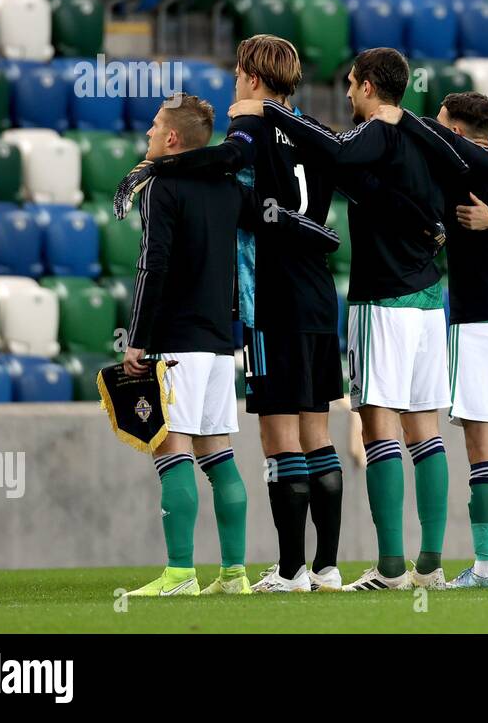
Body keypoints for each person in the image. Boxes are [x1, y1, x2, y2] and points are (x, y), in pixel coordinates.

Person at [117, 36, 347, 594]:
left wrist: (152, 169)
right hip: (284, 312)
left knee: (212, 448)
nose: (234, 83)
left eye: (238, 73)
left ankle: (217, 573)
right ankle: (286, 569)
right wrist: (322, 234)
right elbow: (278, 212)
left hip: (252, 310)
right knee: (271, 445)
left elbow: (157, 264)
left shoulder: (236, 137)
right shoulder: (309, 133)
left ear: (250, 76)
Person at [231, 47, 457, 592]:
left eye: (353, 84)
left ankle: (366, 569)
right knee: (416, 433)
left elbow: (251, 193)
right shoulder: (418, 134)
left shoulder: (357, 136)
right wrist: (432, 229)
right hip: (424, 299)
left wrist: (265, 115)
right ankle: (401, 565)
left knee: (361, 429)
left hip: (361, 299)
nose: (349, 94)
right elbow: (376, 186)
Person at [373, 92, 488, 589]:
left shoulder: (460, 173)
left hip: (482, 322)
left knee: (485, 447)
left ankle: (487, 567)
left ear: (454, 131)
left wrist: (404, 121)